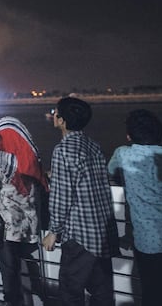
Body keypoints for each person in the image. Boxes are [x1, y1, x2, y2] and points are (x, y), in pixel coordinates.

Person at [107, 109, 162, 305]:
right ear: (159, 133)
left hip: (148, 241)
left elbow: (111, 173)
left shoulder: (123, 154)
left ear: (129, 135)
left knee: (153, 293)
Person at [42, 97, 118, 306]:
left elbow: (62, 195)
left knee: (70, 291)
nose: (54, 116)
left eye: (56, 112)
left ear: (62, 120)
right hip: (102, 232)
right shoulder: (93, 145)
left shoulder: (63, 150)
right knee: (102, 292)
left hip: (79, 234)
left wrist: (53, 231)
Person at [0, 116, 49, 306]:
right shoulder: (31, 164)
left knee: (10, 282)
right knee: (28, 273)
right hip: (29, 231)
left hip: (7, 232)